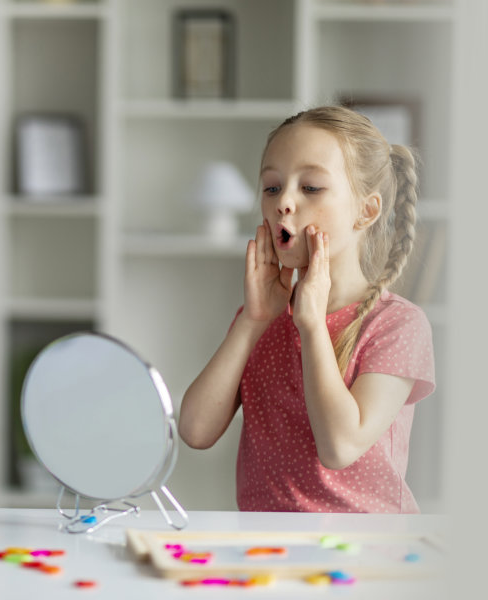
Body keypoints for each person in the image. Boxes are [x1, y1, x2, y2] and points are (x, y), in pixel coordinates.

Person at [178, 106, 434, 513]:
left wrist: (313, 326)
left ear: (366, 211)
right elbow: (194, 430)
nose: (285, 203)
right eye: (272, 187)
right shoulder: (260, 319)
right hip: (269, 549)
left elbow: (340, 446)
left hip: (368, 551)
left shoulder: (397, 325)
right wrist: (251, 322)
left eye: (311, 188)